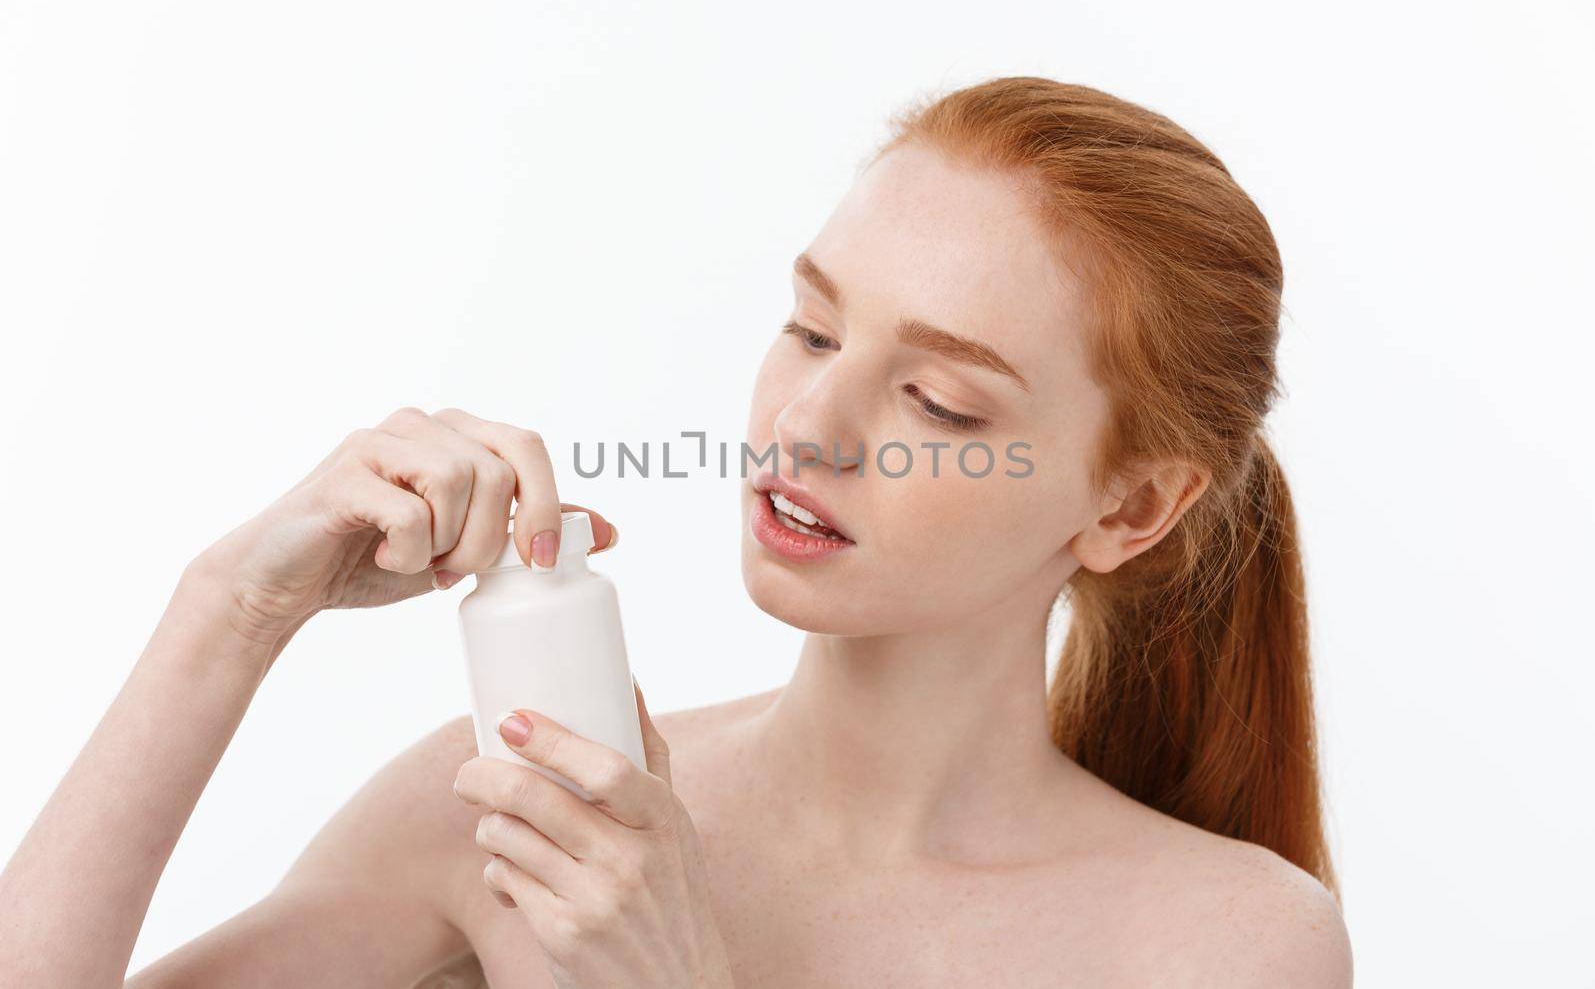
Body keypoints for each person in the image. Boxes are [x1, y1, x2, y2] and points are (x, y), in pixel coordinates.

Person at [0, 76, 1353, 987]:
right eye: (811, 328)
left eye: (937, 399)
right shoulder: (519, 803)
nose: (805, 425)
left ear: (1130, 507)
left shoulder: (1224, 942)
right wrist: (229, 614)